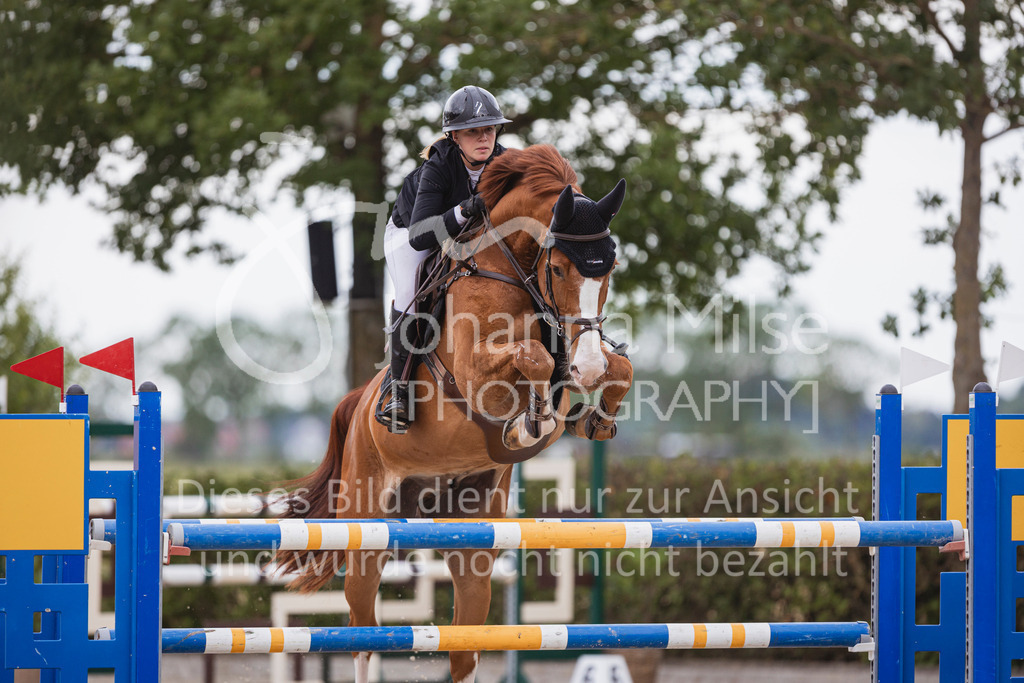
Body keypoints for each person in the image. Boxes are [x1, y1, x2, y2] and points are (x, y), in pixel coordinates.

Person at [377, 85, 512, 433]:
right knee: (410, 292)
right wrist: (464, 210)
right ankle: (398, 390)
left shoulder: (507, 162)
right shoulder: (438, 167)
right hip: (412, 233)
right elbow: (421, 234)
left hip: (467, 235)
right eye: (473, 131)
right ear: (454, 136)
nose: (484, 137)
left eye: (490, 129)